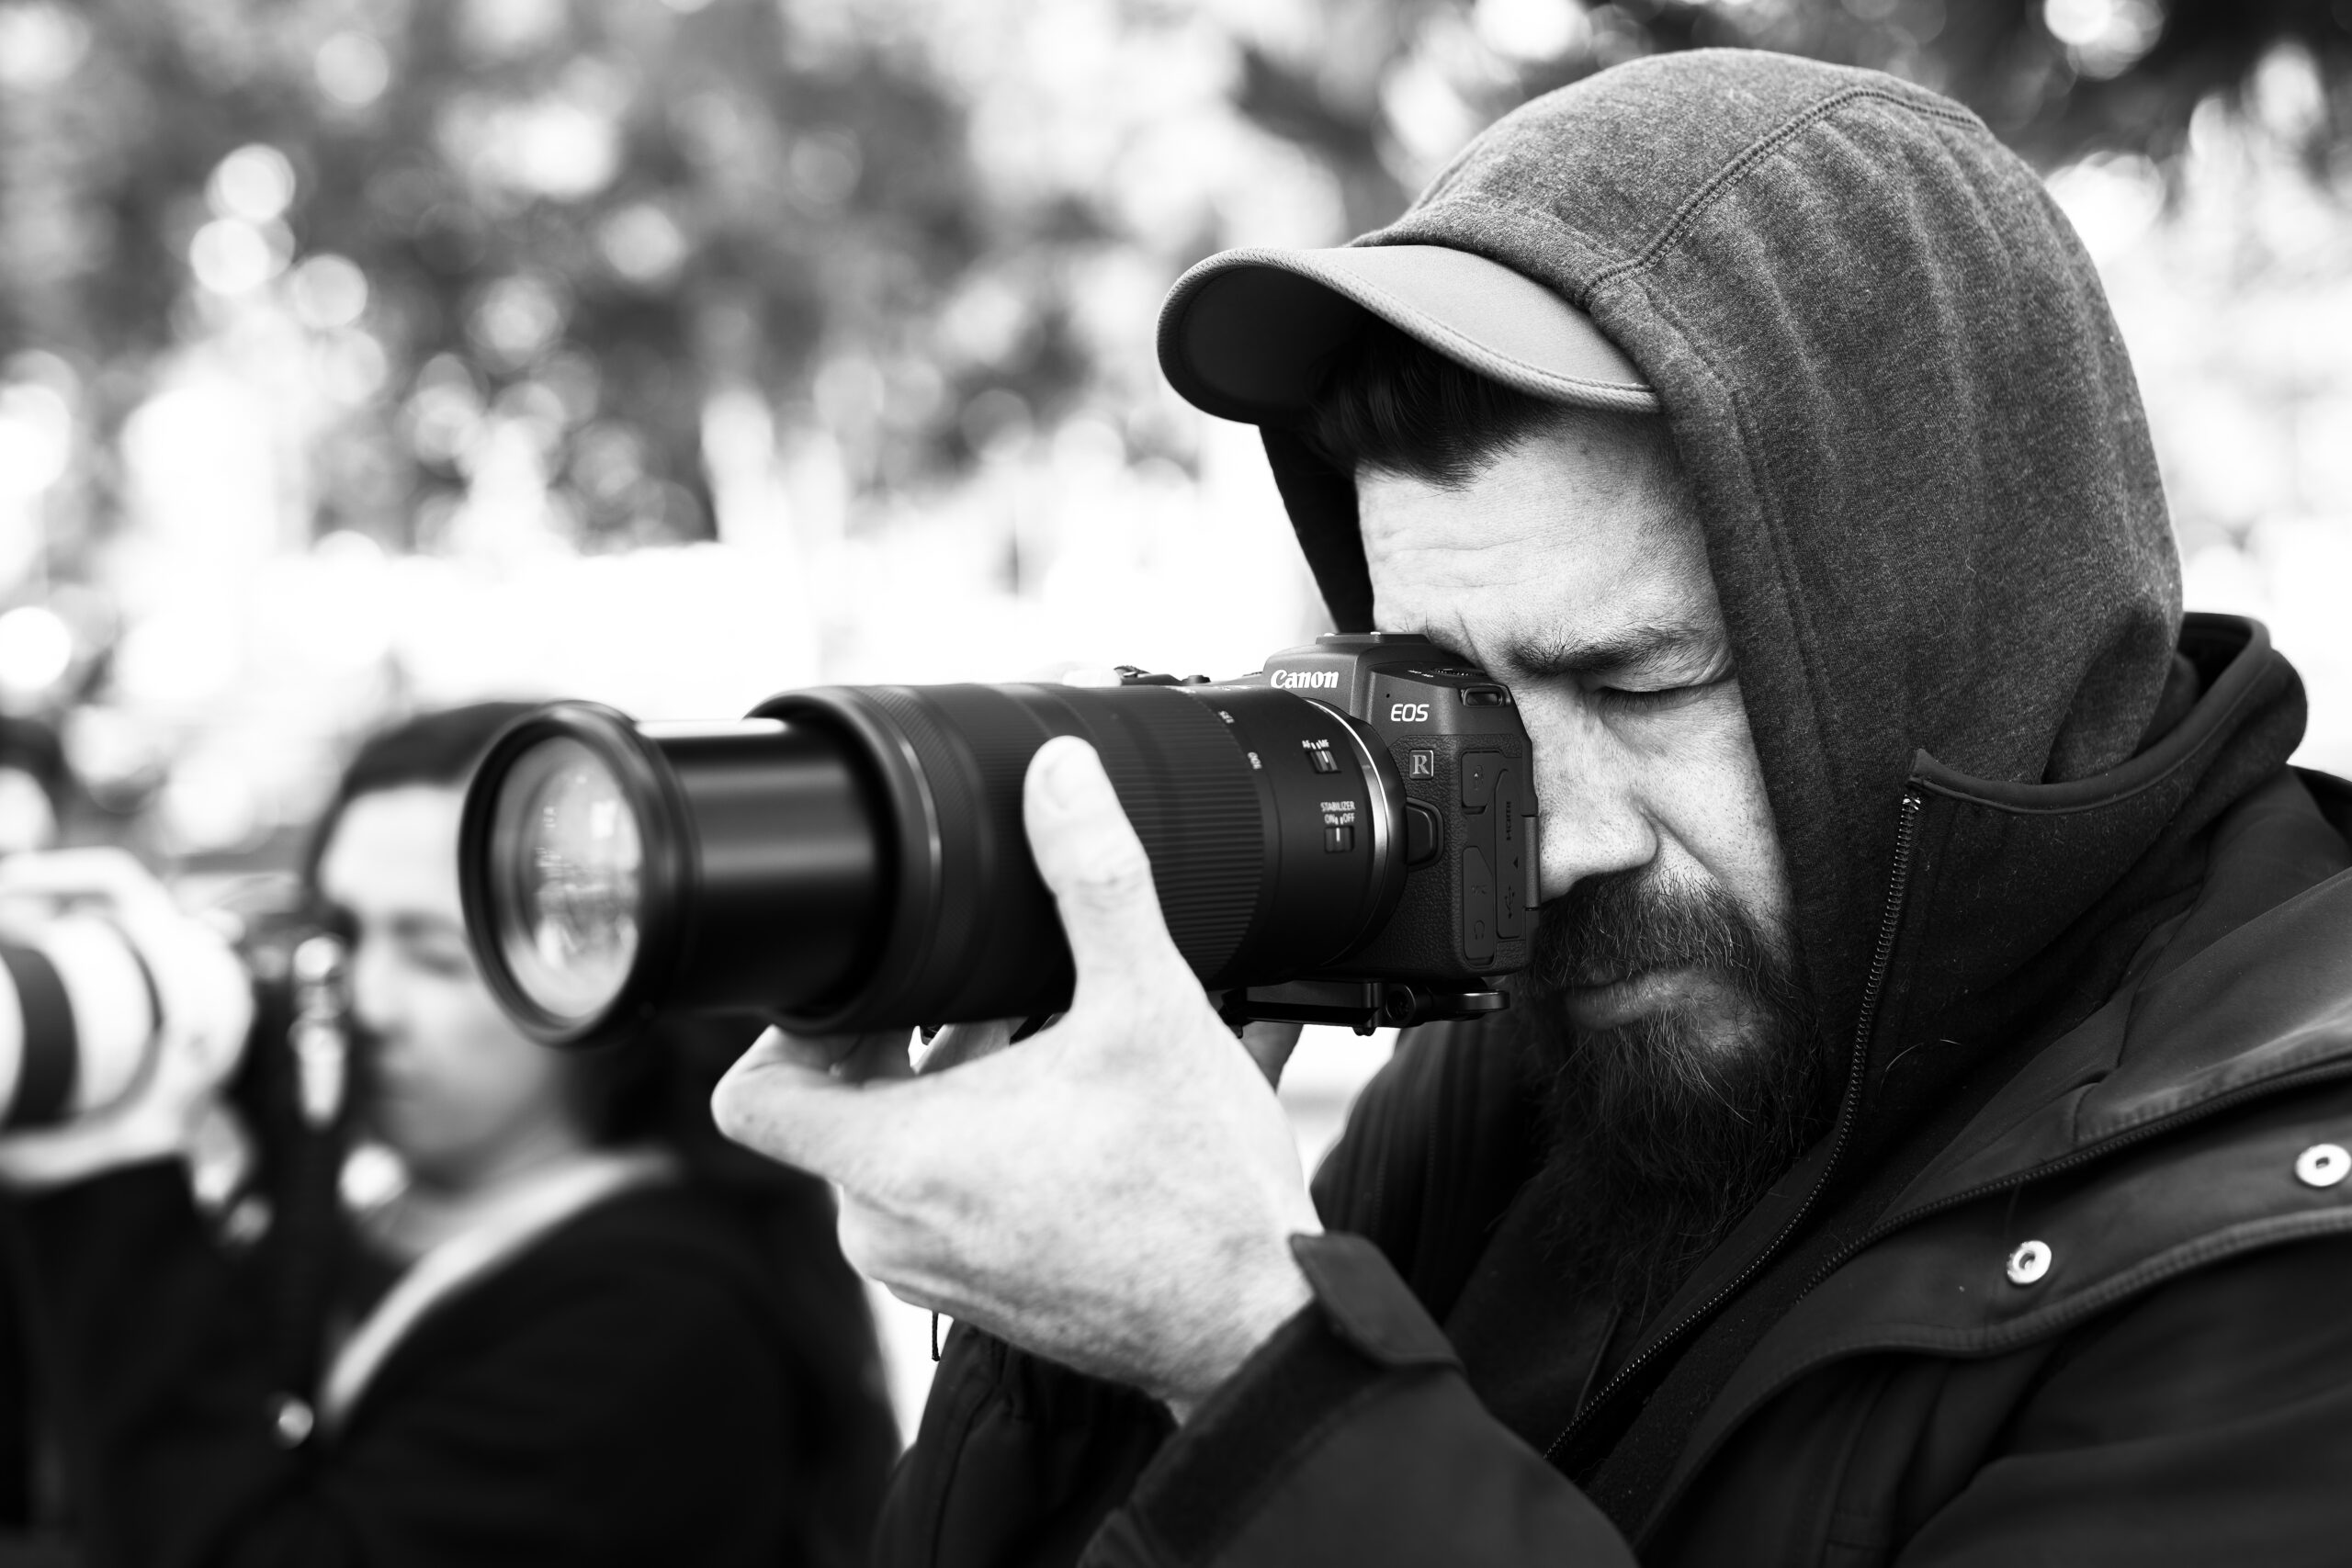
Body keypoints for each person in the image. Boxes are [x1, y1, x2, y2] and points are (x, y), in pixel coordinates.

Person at [712, 50, 2352, 1565]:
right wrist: (1072, 1330)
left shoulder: (2280, 1226)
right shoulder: (1528, 1058)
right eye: (1465, 700)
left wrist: (1261, 1366)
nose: (1552, 845)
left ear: (1973, 634)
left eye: (1641, 684)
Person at [0, 703, 896, 1566]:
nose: (365, 1001)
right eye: (341, 935)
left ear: (605, 976)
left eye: (434, 956)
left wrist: (110, 1196)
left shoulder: (665, 1322)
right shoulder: (356, 1196)